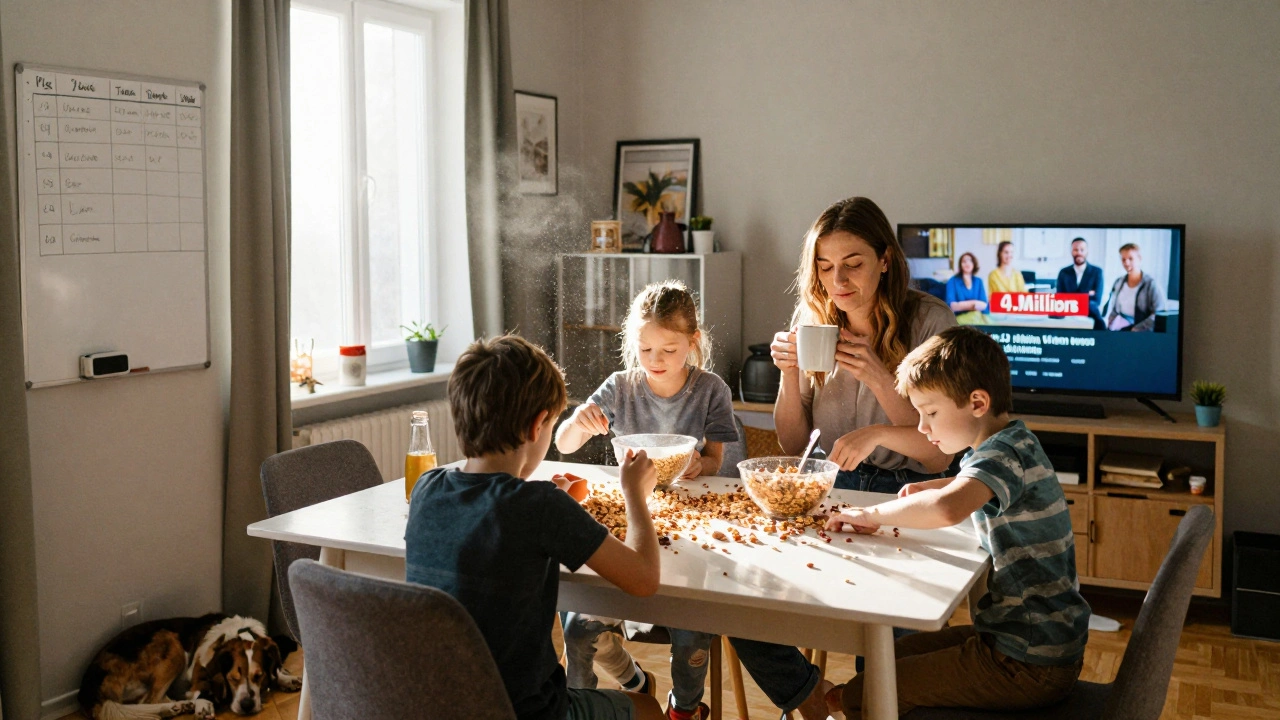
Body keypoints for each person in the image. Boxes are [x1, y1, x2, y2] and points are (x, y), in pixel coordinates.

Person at [824, 326, 1090, 719]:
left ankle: (842, 704)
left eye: (930, 413)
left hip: (1028, 661)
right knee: (885, 658)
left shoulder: (1000, 456)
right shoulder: (1010, 442)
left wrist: (870, 515)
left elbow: (949, 508)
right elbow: (967, 484)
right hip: (1026, 641)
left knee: (870, 688)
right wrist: (930, 486)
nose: (921, 428)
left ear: (977, 402)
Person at [405, 335, 665, 720]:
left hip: (440, 708)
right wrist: (634, 495)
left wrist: (555, 503)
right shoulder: (541, 507)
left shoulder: (427, 488)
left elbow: (492, 521)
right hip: (529, 713)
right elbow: (644, 579)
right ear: (538, 425)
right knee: (647, 708)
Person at [556, 280, 738, 720]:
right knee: (578, 627)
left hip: (693, 528)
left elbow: (717, 460)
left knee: (693, 632)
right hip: (629, 523)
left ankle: (685, 709)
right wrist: (580, 421)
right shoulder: (621, 385)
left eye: (668, 350)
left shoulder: (711, 389)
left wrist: (700, 466)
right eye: (644, 350)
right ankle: (589, 702)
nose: (655, 361)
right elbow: (563, 444)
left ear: (692, 344)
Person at [770, 196, 956, 494]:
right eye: (825, 267)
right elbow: (792, 446)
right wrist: (788, 371)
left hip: (910, 487)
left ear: (885, 260)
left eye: (853, 264)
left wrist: (879, 379)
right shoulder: (812, 318)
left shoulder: (931, 322)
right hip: (832, 481)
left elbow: (939, 456)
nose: (838, 280)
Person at [1104, 242, 1166, 332]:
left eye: (1130, 259)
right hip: (1120, 328)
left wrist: (1137, 329)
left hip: (1141, 331)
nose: (1126, 263)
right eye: (1123, 259)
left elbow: (1160, 313)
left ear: (1139, 259)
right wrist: (1109, 323)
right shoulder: (1118, 282)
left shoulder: (1151, 284)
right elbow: (1114, 309)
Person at [1055, 237, 1105, 329]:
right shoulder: (1063, 272)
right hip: (1066, 315)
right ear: (1071, 252)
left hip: (1090, 314)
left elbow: (1096, 300)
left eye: (1082, 250)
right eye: (1075, 250)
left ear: (1087, 251)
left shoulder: (1097, 272)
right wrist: (1087, 295)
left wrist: (1071, 299)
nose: (1079, 253)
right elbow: (1059, 298)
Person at [944, 252, 989, 324]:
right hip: (958, 319)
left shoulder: (978, 281)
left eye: (970, 261)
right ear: (960, 265)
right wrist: (974, 304)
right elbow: (951, 306)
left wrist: (961, 305)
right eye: (964, 261)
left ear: (974, 264)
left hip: (978, 318)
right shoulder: (952, 281)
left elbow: (984, 305)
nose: (967, 263)